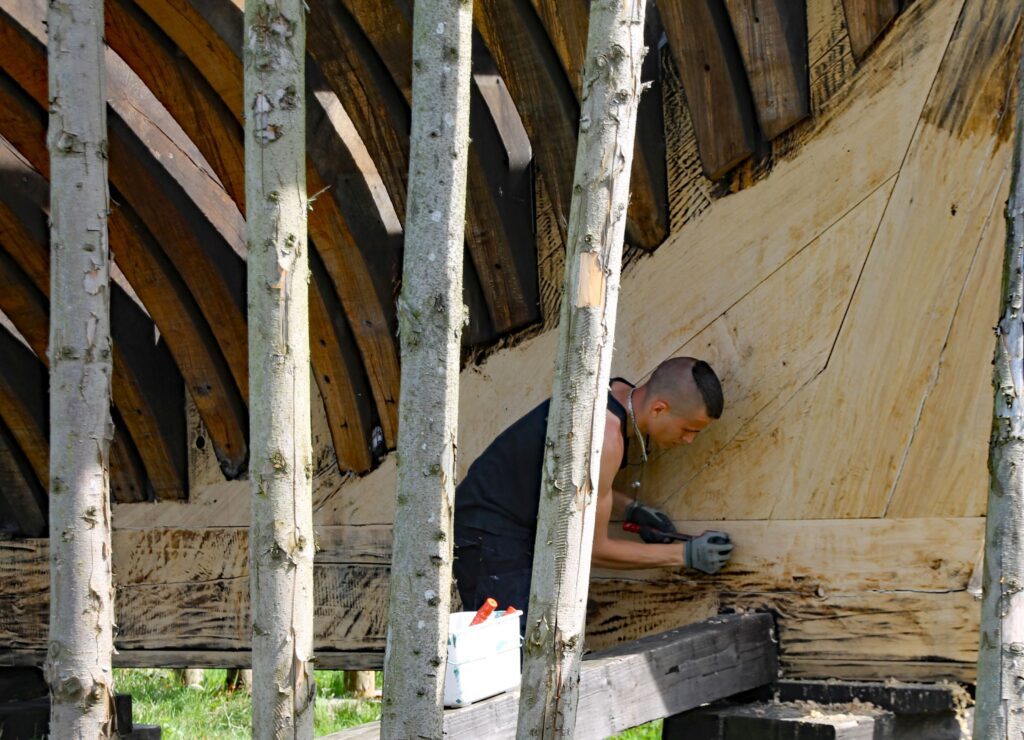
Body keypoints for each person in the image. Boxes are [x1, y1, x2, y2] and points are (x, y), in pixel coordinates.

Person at [453, 357, 734, 630]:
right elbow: (594, 550)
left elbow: (580, 484)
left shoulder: (616, 393)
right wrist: (685, 554)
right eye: (688, 429)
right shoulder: (605, 437)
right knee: (513, 644)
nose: (689, 440)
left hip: (507, 521)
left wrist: (630, 509)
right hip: (486, 531)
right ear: (659, 408)